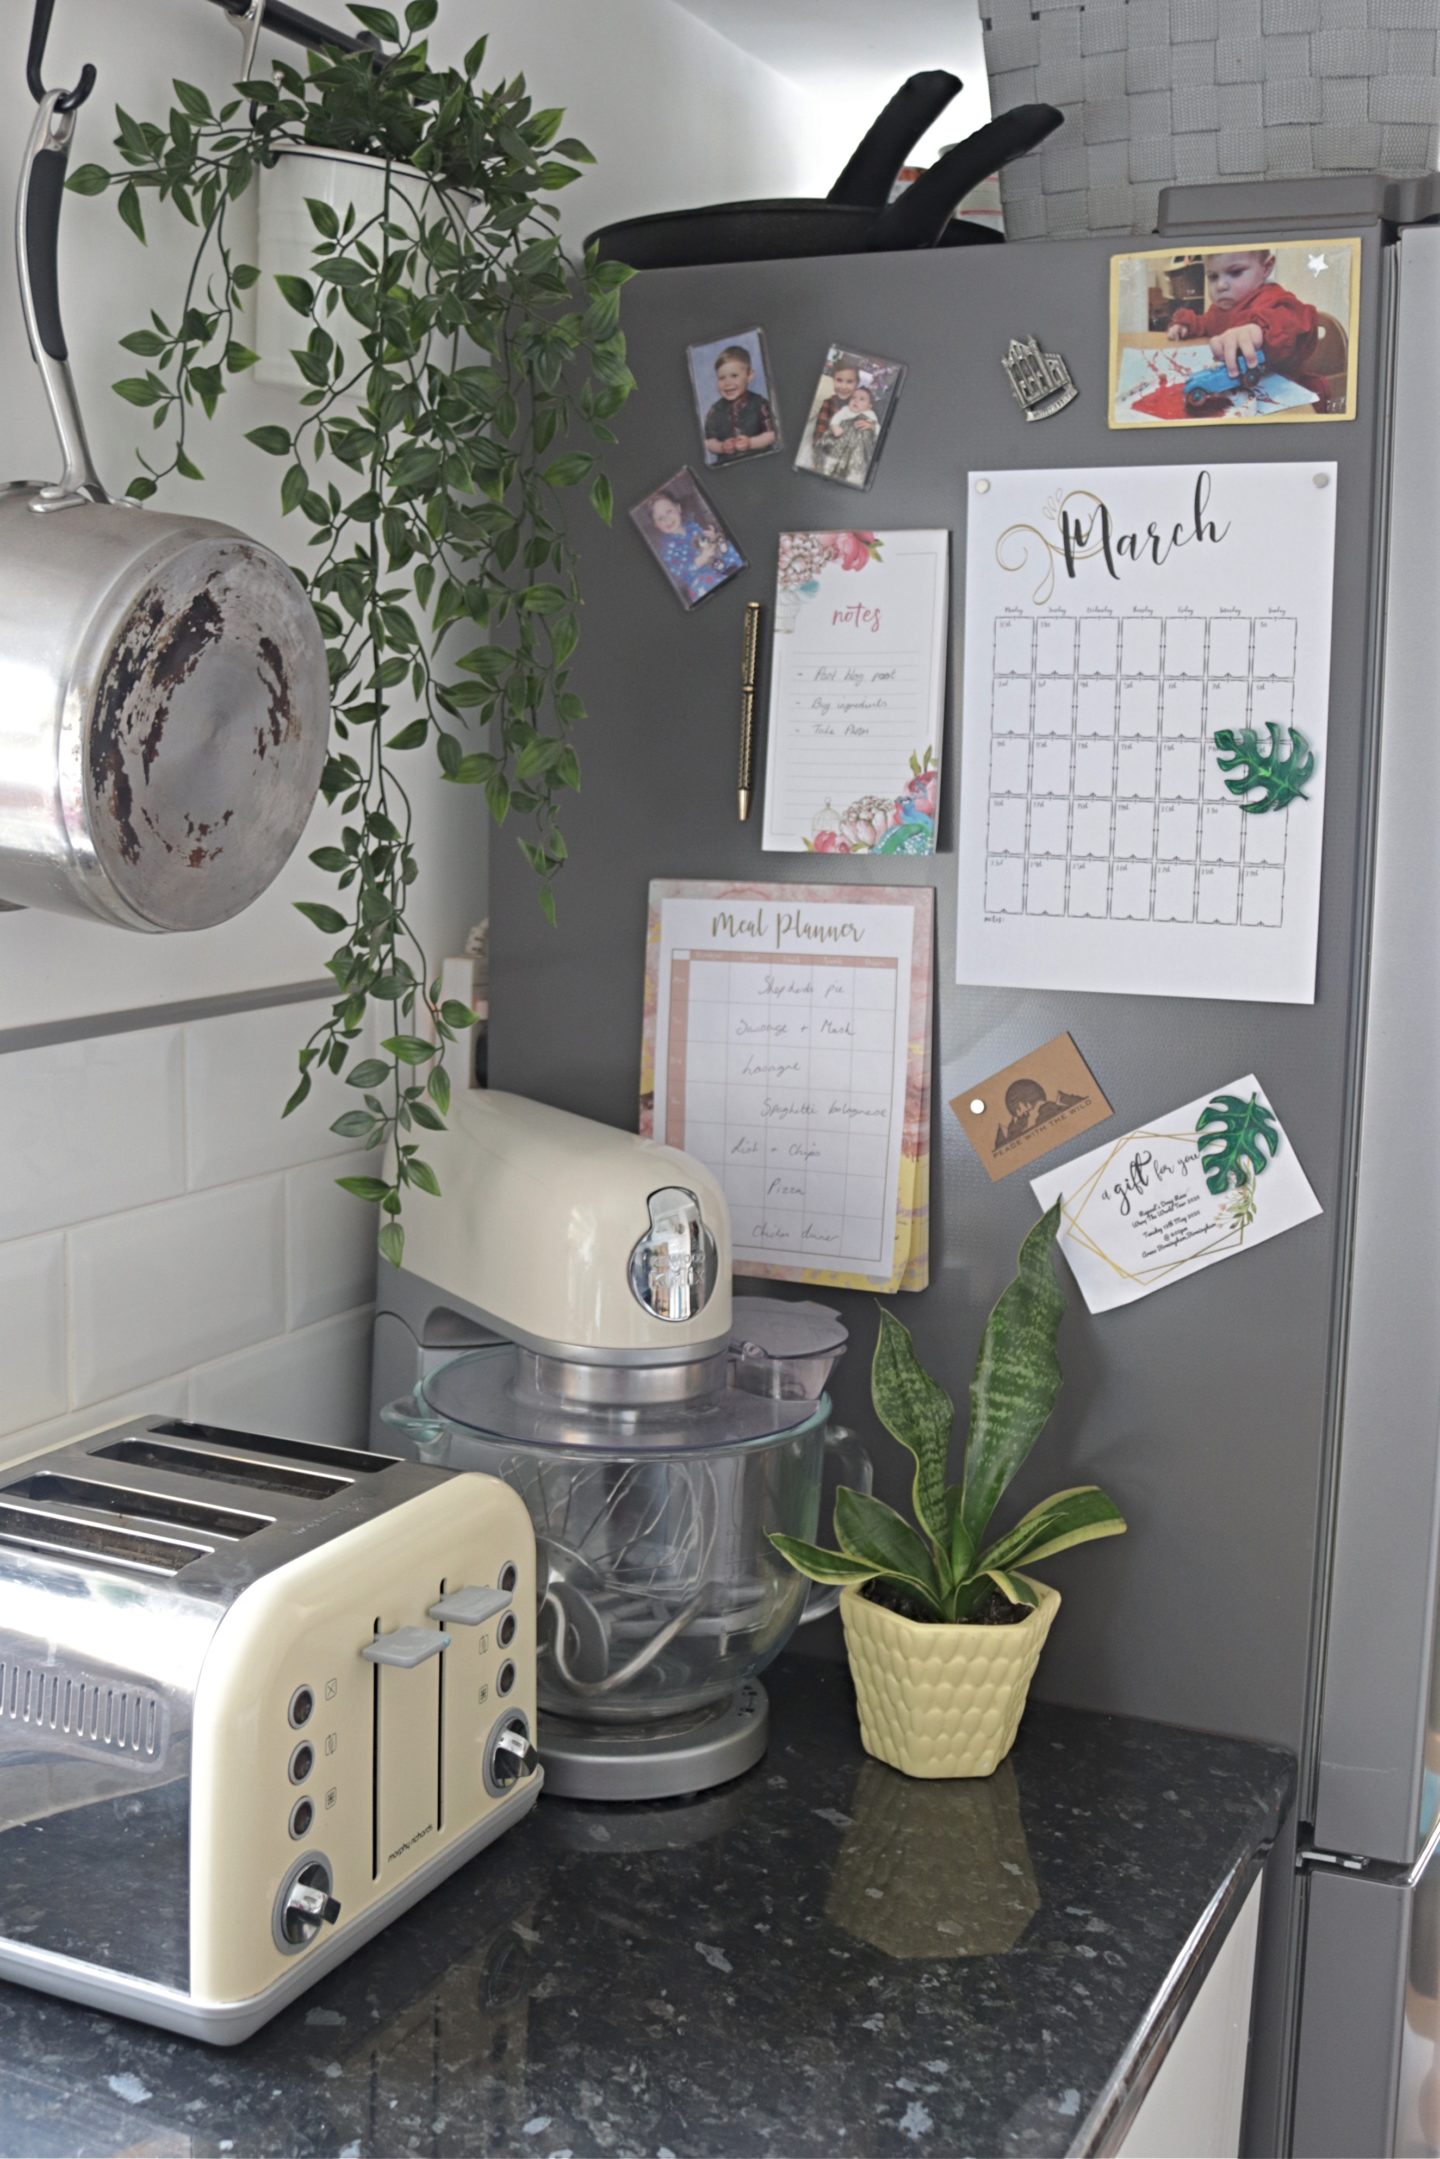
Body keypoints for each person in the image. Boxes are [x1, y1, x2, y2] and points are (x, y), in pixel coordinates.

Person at [1166, 249, 1324, 397]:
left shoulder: (1272, 298)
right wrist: (1186, 325)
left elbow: (1298, 322)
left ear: (1266, 268)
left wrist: (1259, 331)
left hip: (1284, 393)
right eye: (1213, 276)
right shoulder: (1219, 309)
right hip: (1239, 391)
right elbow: (1206, 322)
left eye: (1235, 272)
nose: (1221, 286)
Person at [647, 490, 741, 605]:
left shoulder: (692, 526)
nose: (667, 519)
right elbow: (681, 573)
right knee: (703, 585)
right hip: (698, 578)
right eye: (660, 518)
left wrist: (712, 538)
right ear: (656, 525)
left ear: (678, 508)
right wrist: (701, 559)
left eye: (669, 511)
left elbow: (705, 543)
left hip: (714, 563)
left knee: (731, 548)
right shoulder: (666, 548)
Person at [702, 345, 777, 460]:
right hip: (727, 467)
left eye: (734, 376)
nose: (727, 383)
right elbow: (708, 442)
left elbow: (772, 434)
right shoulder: (715, 410)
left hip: (760, 461)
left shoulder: (760, 404)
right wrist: (721, 447)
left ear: (749, 375)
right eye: (721, 378)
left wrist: (751, 443)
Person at [814, 381, 880, 485]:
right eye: (853, 398)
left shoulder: (870, 414)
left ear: (869, 406)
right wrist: (835, 426)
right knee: (830, 455)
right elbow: (836, 419)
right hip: (841, 440)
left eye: (862, 399)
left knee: (858, 461)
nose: (856, 401)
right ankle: (830, 468)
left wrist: (872, 426)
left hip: (857, 446)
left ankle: (851, 473)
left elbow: (878, 429)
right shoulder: (845, 410)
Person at [808, 357, 862, 461]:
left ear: (857, 384)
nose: (843, 386)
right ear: (833, 380)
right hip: (828, 448)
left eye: (849, 382)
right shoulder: (828, 403)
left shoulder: (859, 406)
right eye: (839, 380)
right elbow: (820, 429)